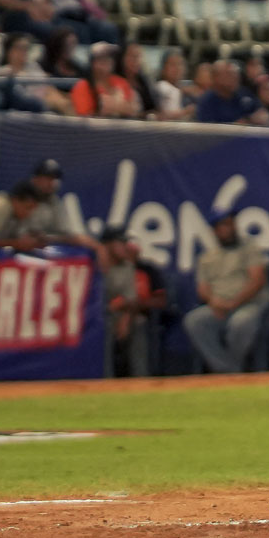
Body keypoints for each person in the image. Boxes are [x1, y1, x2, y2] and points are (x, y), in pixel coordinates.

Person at [183, 208, 269, 374]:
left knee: (240, 323)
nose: (228, 229)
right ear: (215, 230)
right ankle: (228, 370)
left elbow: (257, 280)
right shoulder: (207, 257)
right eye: (223, 226)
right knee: (194, 321)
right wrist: (214, 302)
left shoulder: (249, 249)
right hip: (220, 307)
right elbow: (202, 289)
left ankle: (229, 371)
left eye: (230, 224)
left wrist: (233, 303)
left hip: (249, 303)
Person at [102, 225, 166, 378]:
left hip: (118, 314)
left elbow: (131, 299)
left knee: (137, 323)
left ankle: (141, 379)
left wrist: (126, 319)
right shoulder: (95, 264)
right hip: (97, 318)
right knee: (103, 327)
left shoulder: (127, 267)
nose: (126, 247)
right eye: (121, 243)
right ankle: (103, 381)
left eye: (126, 243)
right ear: (108, 245)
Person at [24, 158, 101, 256]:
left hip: (41, 251)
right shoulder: (24, 198)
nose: (51, 183)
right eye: (47, 178)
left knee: (84, 242)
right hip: (15, 251)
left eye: (54, 178)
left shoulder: (53, 200)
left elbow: (64, 232)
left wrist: (50, 237)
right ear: (36, 179)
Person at [0, 32, 71, 114]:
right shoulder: (5, 71)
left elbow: (48, 86)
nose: (24, 52)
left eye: (26, 48)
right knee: (62, 104)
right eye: (20, 48)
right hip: (34, 104)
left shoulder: (33, 65)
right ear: (9, 50)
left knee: (67, 103)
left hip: (49, 97)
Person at [70, 41, 138, 117]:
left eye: (110, 58)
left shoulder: (121, 82)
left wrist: (114, 106)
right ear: (92, 63)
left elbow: (133, 110)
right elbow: (84, 117)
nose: (107, 62)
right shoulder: (82, 86)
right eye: (101, 59)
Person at [196, 60, 263, 124]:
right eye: (229, 74)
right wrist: (236, 126)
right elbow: (207, 130)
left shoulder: (244, 94)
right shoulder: (206, 102)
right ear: (215, 77)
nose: (235, 77)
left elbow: (261, 113)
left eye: (236, 73)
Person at [153, 49, 195, 120]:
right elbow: (163, 115)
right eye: (172, 64)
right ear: (163, 69)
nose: (177, 68)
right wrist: (186, 111)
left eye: (180, 64)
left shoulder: (183, 89)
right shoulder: (162, 86)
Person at [118, 42, 158, 116]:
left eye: (138, 56)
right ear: (122, 58)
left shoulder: (144, 82)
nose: (136, 60)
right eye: (132, 56)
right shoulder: (115, 81)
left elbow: (152, 109)